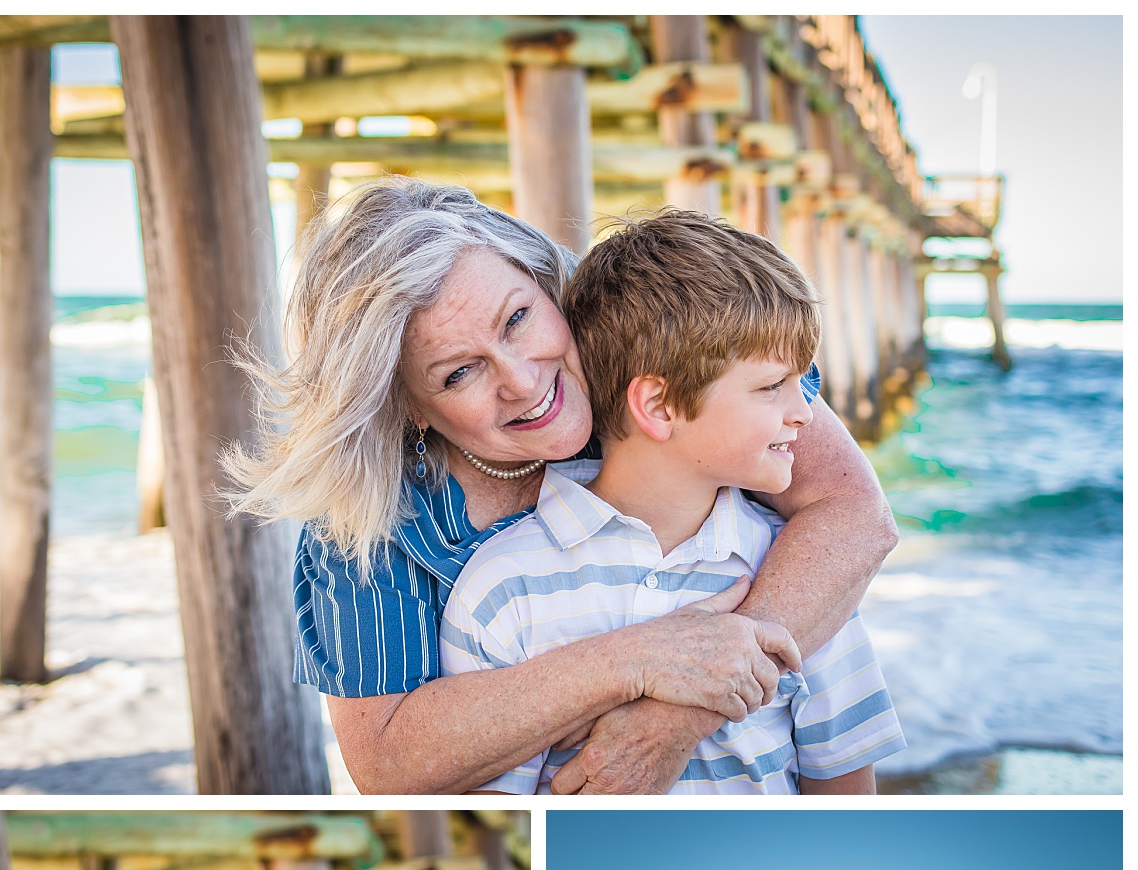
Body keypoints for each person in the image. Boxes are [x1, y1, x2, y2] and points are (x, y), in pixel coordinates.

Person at [225, 178, 898, 795]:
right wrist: (638, 659)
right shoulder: (381, 530)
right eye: (458, 373)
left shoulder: (649, 348)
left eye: (517, 318)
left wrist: (679, 714)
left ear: (545, 281)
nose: (523, 381)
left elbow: (854, 514)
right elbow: (389, 764)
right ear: (408, 409)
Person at [439, 212, 906, 793]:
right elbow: (506, 823)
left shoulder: (804, 577)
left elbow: (846, 806)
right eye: (771, 386)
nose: (805, 412)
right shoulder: (502, 590)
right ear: (659, 407)